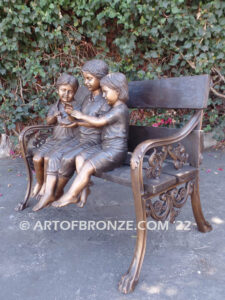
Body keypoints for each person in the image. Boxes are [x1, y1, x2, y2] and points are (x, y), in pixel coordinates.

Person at [33, 59, 110, 211]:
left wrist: (77, 121)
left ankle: (58, 192)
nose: (86, 82)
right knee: (54, 156)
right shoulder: (88, 98)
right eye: (85, 78)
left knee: (67, 157)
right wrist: (73, 119)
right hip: (80, 137)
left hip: (92, 141)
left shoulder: (105, 99)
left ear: (100, 79)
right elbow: (77, 117)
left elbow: (101, 123)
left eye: (89, 78)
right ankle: (50, 192)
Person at [52, 72, 129, 208]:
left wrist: (81, 116)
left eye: (105, 92)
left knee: (87, 166)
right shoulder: (114, 107)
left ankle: (71, 195)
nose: (104, 96)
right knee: (80, 158)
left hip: (115, 151)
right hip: (105, 147)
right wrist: (77, 123)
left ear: (117, 91)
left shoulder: (120, 109)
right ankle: (83, 190)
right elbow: (98, 123)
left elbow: (99, 121)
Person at [31, 73, 79, 198]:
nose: (66, 94)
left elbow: (76, 122)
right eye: (63, 90)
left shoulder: (77, 106)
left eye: (70, 91)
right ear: (57, 89)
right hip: (55, 139)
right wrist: (54, 116)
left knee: (47, 158)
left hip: (69, 140)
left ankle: (48, 185)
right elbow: (48, 122)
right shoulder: (55, 106)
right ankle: (40, 183)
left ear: (75, 92)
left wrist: (70, 114)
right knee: (36, 158)